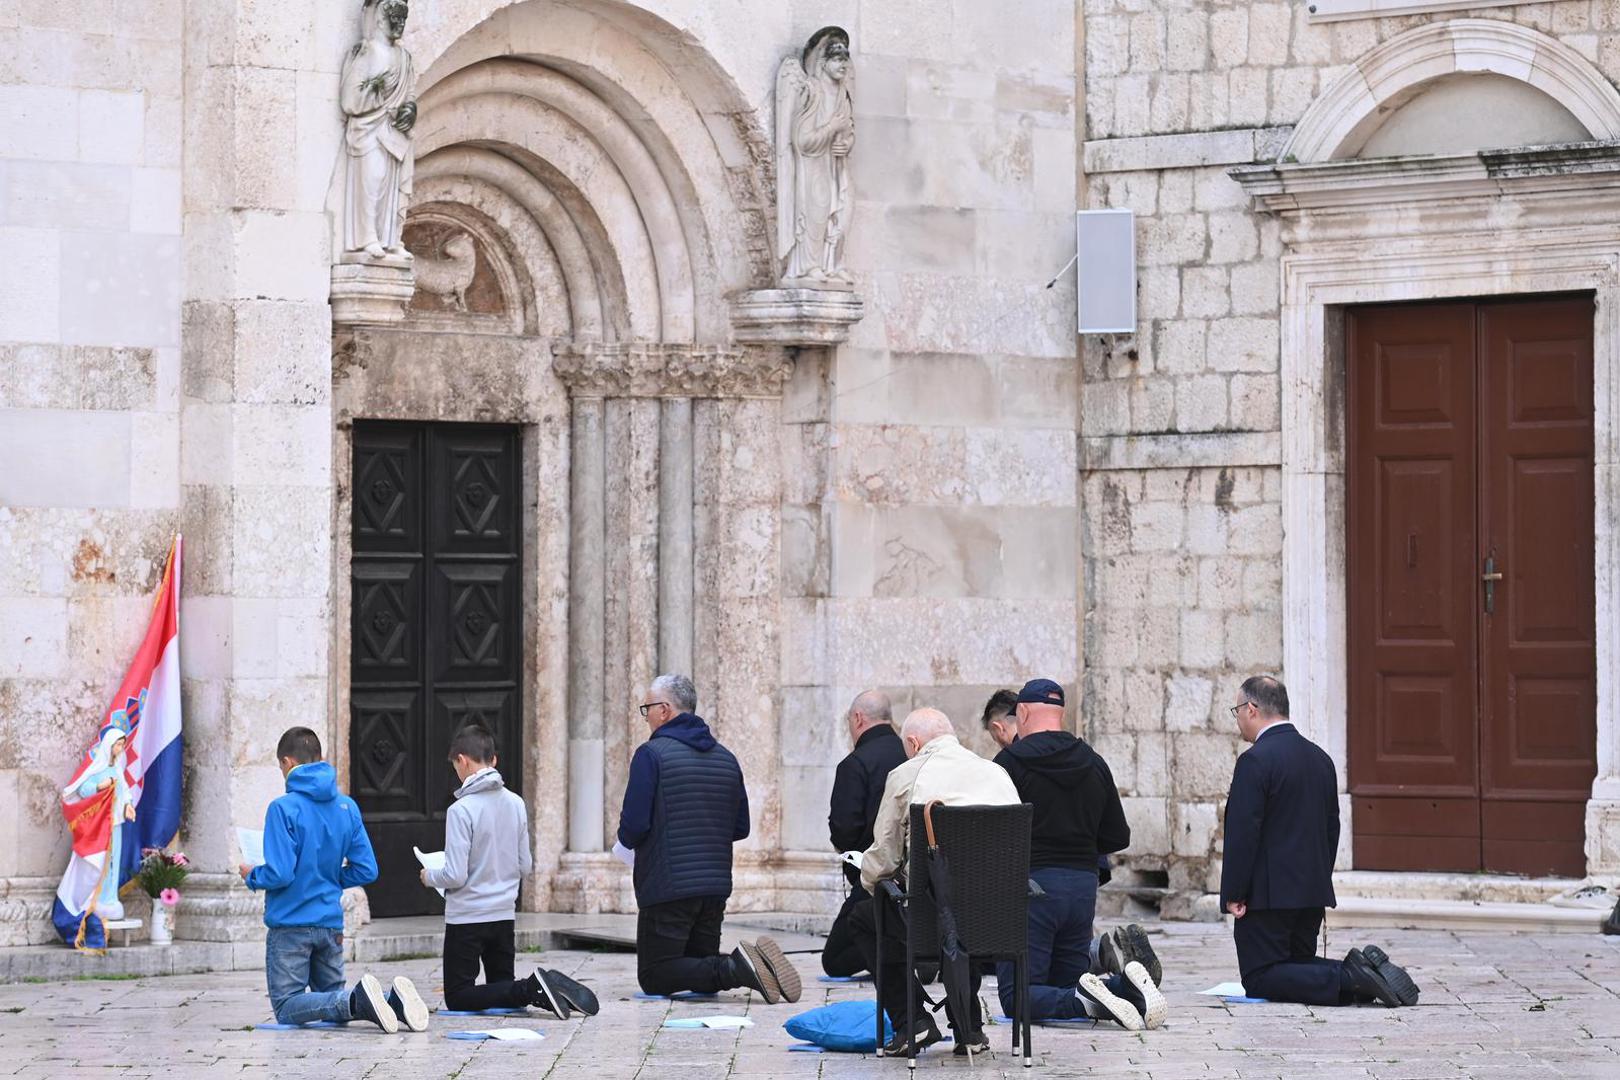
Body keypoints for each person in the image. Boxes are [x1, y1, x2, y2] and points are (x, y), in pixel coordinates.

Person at [1222, 676, 1420, 1007]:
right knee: (1295, 968)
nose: (1238, 718)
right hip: (1309, 893)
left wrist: (1234, 893)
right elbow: (1331, 829)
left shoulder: (1255, 760)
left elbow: (1243, 833)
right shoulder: (1320, 759)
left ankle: (1350, 976)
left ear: (1251, 709)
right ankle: (1365, 979)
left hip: (1266, 898)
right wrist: (1317, 880)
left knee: (1260, 976)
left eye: (1237, 710)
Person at [992, 679, 1167, 1031]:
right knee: (1064, 986)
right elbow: (1117, 835)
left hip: (1032, 889)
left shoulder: (1008, 763)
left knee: (1018, 998)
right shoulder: (1093, 762)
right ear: (1061, 714)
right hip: (1082, 888)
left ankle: (1093, 997)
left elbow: (994, 833)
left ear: (1022, 713)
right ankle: (1126, 990)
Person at [618, 674, 803, 1003]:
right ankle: (749, 966)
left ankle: (737, 968)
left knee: (655, 974)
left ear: (665, 710)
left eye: (647, 709)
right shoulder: (726, 758)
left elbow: (634, 824)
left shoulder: (652, 755)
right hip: (714, 886)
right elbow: (741, 826)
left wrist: (627, 842)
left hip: (667, 885)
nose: (645, 717)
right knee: (700, 974)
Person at [853, 708, 1020, 1057]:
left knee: (867, 918)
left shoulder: (906, 776)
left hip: (931, 920)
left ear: (913, 743)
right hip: (999, 920)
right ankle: (968, 1027)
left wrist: (868, 880)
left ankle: (910, 1020)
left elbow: (883, 860)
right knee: (966, 904)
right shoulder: (997, 773)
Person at [239, 727, 426, 1033]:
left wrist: (252, 874)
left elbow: (280, 873)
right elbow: (367, 870)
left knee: (288, 1006)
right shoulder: (346, 806)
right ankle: (392, 1001)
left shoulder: (282, 808)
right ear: (320, 758)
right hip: (329, 922)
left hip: (291, 924)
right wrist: (329, 877)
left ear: (286, 763)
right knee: (334, 1003)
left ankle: (362, 1002)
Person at [420, 724, 597, 1019]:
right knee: (503, 992)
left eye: (455, 767)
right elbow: (525, 865)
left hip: (468, 916)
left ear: (462, 760)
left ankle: (531, 988)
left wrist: (430, 877)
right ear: (494, 760)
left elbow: (455, 875)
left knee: (459, 995)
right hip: (503, 914)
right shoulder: (516, 803)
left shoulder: (461, 810)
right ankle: (536, 987)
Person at [823, 690, 908, 978]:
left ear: (858, 718)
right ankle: (912, 950)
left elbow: (844, 830)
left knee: (835, 959)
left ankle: (904, 952)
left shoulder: (855, 763)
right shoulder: (910, 755)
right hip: (912, 874)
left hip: (870, 878)